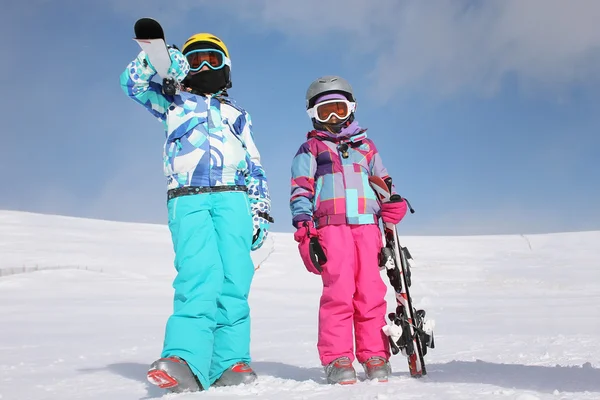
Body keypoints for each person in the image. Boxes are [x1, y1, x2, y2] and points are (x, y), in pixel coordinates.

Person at [120, 32, 272, 393]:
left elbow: (254, 163)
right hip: (188, 197)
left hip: (234, 198)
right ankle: (184, 358)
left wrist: (260, 210)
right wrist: (163, 59)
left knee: (235, 279)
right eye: (195, 60)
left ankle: (230, 362)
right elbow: (132, 84)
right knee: (198, 274)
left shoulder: (238, 114)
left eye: (212, 59)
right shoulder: (172, 102)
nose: (204, 66)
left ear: (226, 68)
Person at [289, 76, 407, 384]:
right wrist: (305, 229)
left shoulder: (366, 148)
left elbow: (384, 184)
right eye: (325, 111)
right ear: (313, 114)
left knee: (370, 292)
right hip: (331, 229)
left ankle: (374, 354)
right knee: (339, 293)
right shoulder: (311, 148)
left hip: (368, 229)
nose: (333, 118)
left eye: (339, 109)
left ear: (351, 109)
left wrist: (392, 204)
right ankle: (338, 357)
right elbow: (301, 189)